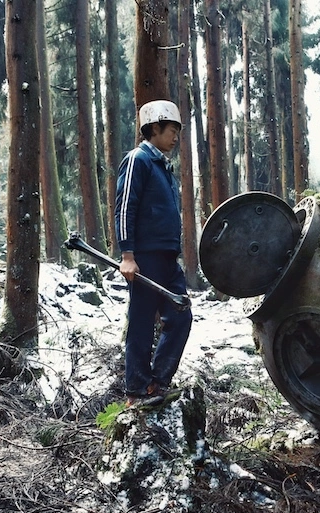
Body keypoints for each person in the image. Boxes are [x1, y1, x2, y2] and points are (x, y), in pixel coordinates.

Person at [115, 99, 192, 403]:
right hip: (144, 257)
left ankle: (157, 383)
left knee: (181, 316)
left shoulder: (163, 166)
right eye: (172, 130)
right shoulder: (139, 159)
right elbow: (124, 208)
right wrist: (127, 255)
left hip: (167, 257)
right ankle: (136, 389)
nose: (175, 136)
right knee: (143, 321)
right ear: (155, 128)